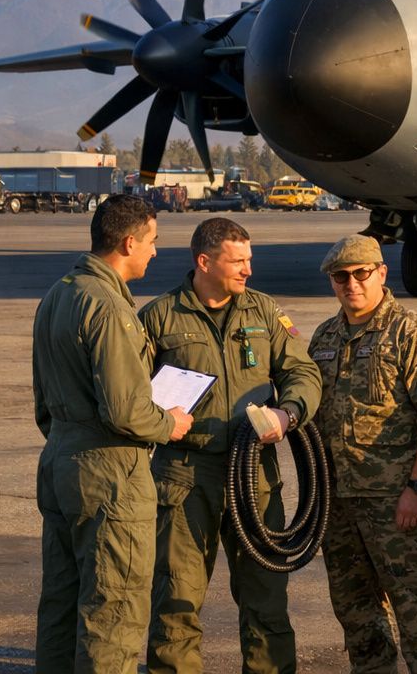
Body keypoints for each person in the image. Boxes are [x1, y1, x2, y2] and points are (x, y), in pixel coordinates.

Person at [141, 218, 321, 674]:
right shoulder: (159, 317)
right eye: (238, 261)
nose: (248, 270)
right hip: (184, 478)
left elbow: (303, 373)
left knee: (266, 600)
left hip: (255, 478)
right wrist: (161, 422)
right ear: (205, 261)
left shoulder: (263, 312)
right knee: (176, 600)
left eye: (250, 259)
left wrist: (288, 412)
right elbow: (130, 393)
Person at [33, 193, 194, 672]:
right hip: (112, 473)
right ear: (128, 242)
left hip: (61, 458)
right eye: (152, 242)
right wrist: (170, 423)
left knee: (61, 603)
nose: (155, 252)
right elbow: (125, 410)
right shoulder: (108, 307)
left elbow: (43, 404)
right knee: (114, 611)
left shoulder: (58, 294)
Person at [309, 234, 417, 672]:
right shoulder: (324, 337)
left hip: (398, 506)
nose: (351, 284)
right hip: (339, 508)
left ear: (380, 274)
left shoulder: (411, 332)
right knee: (359, 623)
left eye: (361, 274)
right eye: (341, 277)